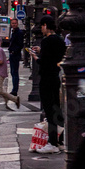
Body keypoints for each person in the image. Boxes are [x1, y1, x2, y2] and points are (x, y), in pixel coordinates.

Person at [31, 16, 66, 153]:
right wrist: (42, 51)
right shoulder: (60, 40)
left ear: (45, 25)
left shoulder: (46, 41)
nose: (41, 29)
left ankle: (52, 143)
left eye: (42, 26)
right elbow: (54, 56)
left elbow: (44, 61)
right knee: (56, 108)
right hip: (55, 77)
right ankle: (60, 140)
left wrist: (36, 57)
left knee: (49, 110)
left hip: (46, 78)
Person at [8, 17, 24, 97]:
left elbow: (20, 44)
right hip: (12, 54)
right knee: (13, 72)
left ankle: (15, 90)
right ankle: (14, 89)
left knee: (14, 73)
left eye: (15, 23)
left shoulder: (19, 33)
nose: (14, 25)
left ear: (17, 24)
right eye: (12, 23)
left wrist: (14, 51)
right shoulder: (13, 32)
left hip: (15, 54)